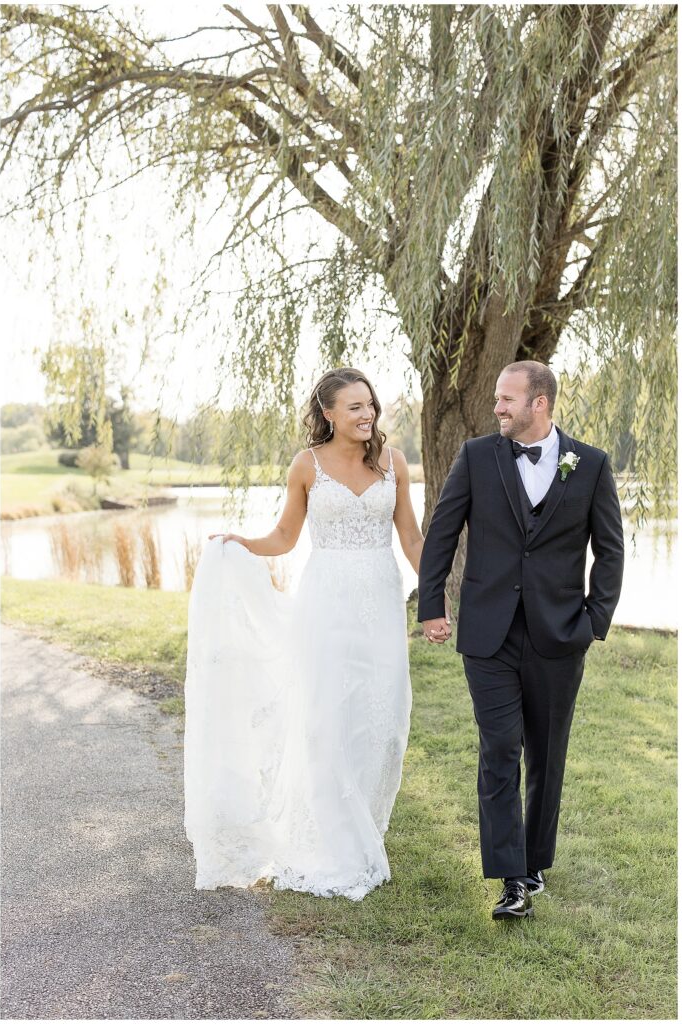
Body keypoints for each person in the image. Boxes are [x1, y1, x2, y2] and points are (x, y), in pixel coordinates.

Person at [183, 367, 429, 900]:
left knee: (382, 719)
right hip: (327, 601)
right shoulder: (306, 466)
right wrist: (240, 544)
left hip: (381, 599)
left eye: (371, 406)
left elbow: (410, 536)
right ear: (328, 414)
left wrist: (435, 595)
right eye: (354, 407)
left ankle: (366, 827)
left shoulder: (394, 462)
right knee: (327, 719)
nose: (367, 415)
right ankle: (336, 843)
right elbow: (284, 537)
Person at [418, 360, 624, 921]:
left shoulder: (591, 465)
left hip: (559, 636)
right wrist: (432, 604)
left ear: (540, 403)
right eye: (495, 398)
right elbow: (442, 531)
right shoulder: (477, 457)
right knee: (501, 747)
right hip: (488, 633)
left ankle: (535, 861)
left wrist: (593, 621)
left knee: (547, 754)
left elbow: (610, 550)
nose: (497, 408)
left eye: (507, 399)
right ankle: (510, 878)